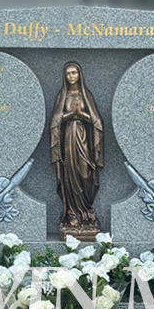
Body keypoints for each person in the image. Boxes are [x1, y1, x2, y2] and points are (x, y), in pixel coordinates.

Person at [49, 60, 103, 234]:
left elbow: (96, 121)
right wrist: (70, 114)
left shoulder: (86, 94)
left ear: (80, 75)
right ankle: (72, 213)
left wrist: (82, 115)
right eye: (68, 73)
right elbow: (55, 121)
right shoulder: (62, 95)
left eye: (74, 73)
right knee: (69, 175)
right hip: (68, 139)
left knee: (85, 174)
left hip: (83, 137)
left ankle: (86, 210)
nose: (71, 76)